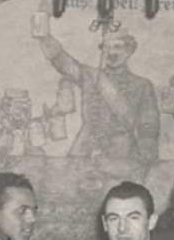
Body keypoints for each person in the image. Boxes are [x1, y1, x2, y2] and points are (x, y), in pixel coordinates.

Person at [36, 27, 160, 168]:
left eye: (117, 47)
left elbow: (149, 125)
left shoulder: (142, 85)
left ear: (129, 51)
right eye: (107, 48)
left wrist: (146, 155)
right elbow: (63, 63)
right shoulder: (90, 76)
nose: (111, 52)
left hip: (120, 148)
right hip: (86, 145)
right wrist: (44, 36)